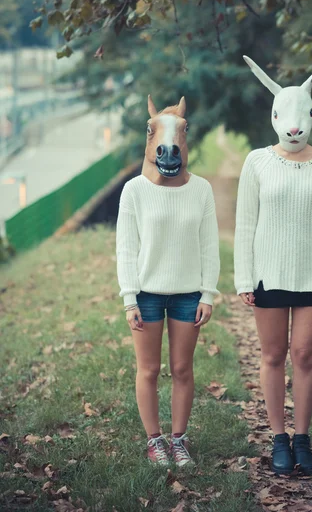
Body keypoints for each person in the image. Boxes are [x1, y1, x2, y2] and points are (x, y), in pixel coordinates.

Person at [234, 51, 312, 475]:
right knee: (273, 356)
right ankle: (278, 438)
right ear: (275, 114)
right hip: (268, 276)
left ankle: (302, 439)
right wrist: (244, 277)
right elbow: (245, 224)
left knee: (304, 356)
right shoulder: (257, 162)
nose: (295, 126)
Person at [116, 95, 220, 466]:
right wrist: (129, 298)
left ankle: (179, 440)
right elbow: (126, 250)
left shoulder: (202, 190)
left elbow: (209, 246)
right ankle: (154, 440)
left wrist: (208, 293)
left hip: (188, 293)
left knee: (181, 369)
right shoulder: (134, 191)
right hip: (146, 294)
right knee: (148, 369)